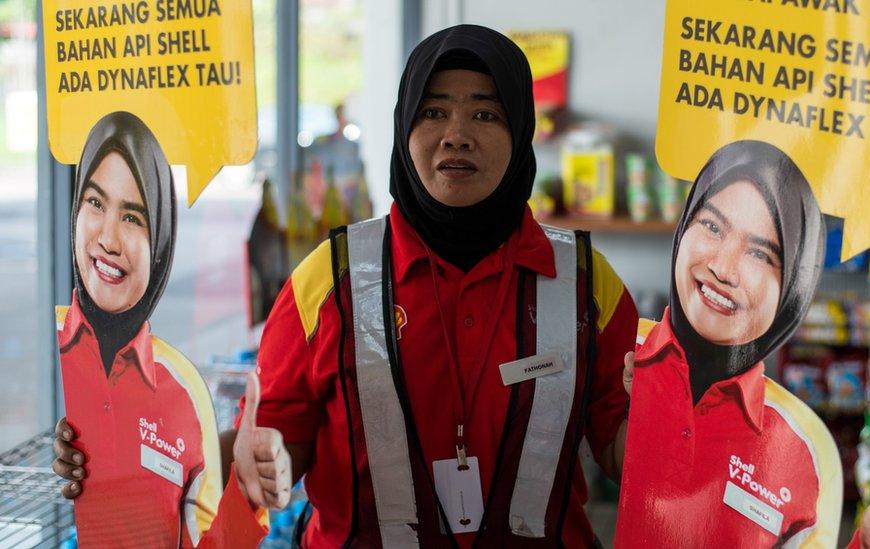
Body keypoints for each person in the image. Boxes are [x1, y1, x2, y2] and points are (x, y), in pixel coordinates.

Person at [223, 24, 638, 547]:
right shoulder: (329, 279)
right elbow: (270, 443)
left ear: (522, 132)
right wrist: (245, 458)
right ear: (403, 128)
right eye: (434, 111)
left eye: (486, 114)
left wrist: (669, 419)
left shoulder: (586, 282)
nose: (457, 134)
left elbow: (624, 449)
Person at [615, 140, 870, 548]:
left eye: (760, 254)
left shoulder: (807, 449)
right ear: (684, 228)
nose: (722, 268)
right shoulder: (614, 351)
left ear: (792, 292)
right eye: (712, 226)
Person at [50, 111, 267, 548]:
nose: (108, 238)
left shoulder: (184, 391)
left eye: (133, 218)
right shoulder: (64, 359)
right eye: (95, 203)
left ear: (162, 244)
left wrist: (245, 493)